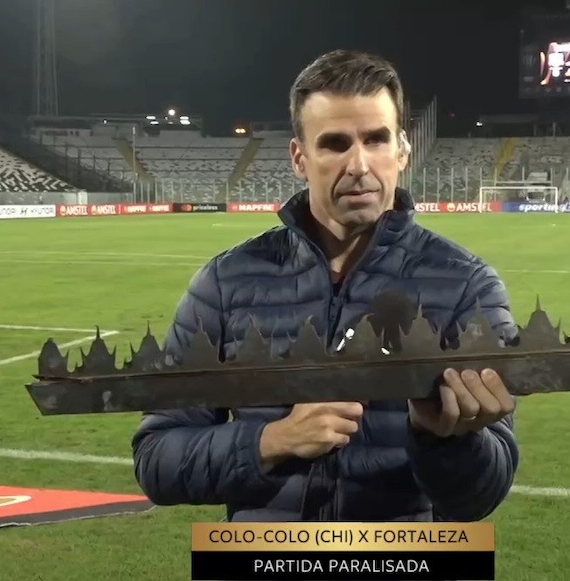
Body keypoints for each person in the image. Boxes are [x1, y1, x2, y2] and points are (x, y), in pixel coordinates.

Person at [131, 49, 520, 523]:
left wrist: (443, 439)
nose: (358, 164)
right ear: (300, 157)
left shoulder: (466, 284)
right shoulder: (225, 281)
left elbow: (482, 496)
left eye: (376, 140)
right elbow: (156, 459)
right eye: (335, 144)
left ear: (402, 150)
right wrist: (272, 441)